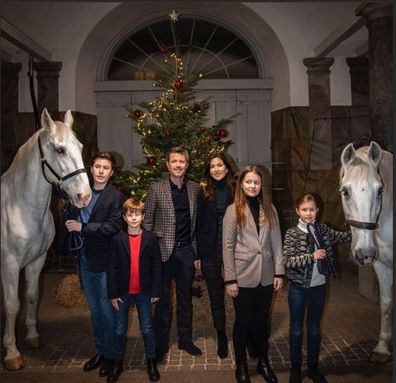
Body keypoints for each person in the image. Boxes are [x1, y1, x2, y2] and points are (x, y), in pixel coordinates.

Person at [65, 151, 125, 380]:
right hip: (84, 259)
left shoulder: (116, 196)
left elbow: (112, 227)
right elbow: (70, 219)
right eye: (97, 166)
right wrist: (76, 210)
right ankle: (102, 352)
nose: (101, 171)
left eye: (105, 167)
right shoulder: (81, 190)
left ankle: (114, 357)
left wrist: (84, 228)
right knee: (95, 312)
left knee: (110, 312)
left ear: (111, 172)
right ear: (91, 169)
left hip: (105, 261)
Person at [223, 165, 284, 383]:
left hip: (266, 275)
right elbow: (227, 246)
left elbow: (277, 243)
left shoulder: (270, 209)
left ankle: (263, 361)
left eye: (256, 182)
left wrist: (279, 272)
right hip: (242, 276)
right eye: (248, 182)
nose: (252, 186)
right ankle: (241, 365)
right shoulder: (233, 210)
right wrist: (230, 278)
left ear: (261, 185)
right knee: (243, 321)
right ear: (241, 184)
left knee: (261, 322)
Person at [283, 194, 351, 383]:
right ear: (298, 211)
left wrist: (359, 225)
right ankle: (295, 368)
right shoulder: (292, 233)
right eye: (304, 209)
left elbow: (344, 236)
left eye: (312, 209)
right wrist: (311, 257)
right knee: (296, 329)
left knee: (314, 329)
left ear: (317, 211)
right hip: (298, 289)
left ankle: (313, 368)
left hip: (318, 288)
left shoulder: (323, 229)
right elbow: (288, 261)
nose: (308, 213)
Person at [143, 146, 202, 362]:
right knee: (163, 301)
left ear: (187, 164)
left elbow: (196, 224)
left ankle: (185, 340)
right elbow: (147, 223)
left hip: (186, 251)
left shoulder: (195, 189)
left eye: (182, 161)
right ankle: (160, 344)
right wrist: (148, 256)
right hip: (162, 252)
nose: (178, 165)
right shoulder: (156, 189)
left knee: (185, 299)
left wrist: (196, 254)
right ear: (167, 165)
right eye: (174, 161)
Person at [107, 199, 162, 382]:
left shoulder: (151, 238)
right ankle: (117, 363)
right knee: (120, 328)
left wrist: (155, 290)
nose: (133, 218)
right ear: (124, 217)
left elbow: (156, 267)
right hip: (123, 293)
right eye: (130, 215)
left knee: (147, 328)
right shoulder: (117, 239)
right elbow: (112, 268)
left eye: (137, 214)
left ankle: (151, 362)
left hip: (144, 292)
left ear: (143, 216)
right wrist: (113, 294)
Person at [196, 153, 235, 358]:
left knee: (241, 296)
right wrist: (198, 255)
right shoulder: (204, 193)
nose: (216, 169)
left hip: (235, 252)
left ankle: (247, 333)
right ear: (209, 171)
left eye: (220, 165)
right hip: (210, 252)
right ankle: (221, 334)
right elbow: (198, 224)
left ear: (227, 168)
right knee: (216, 297)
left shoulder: (237, 190)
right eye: (212, 166)